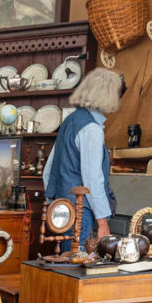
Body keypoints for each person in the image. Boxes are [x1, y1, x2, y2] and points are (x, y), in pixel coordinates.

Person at [42, 67, 125, 249]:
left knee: (65, 263)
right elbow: (92, 180)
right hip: (81, 211)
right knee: (77, 266)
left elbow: (49, 169)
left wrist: (54, 204)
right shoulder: (92, 129)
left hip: (62, 207)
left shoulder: (71, 121)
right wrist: (103, 222)